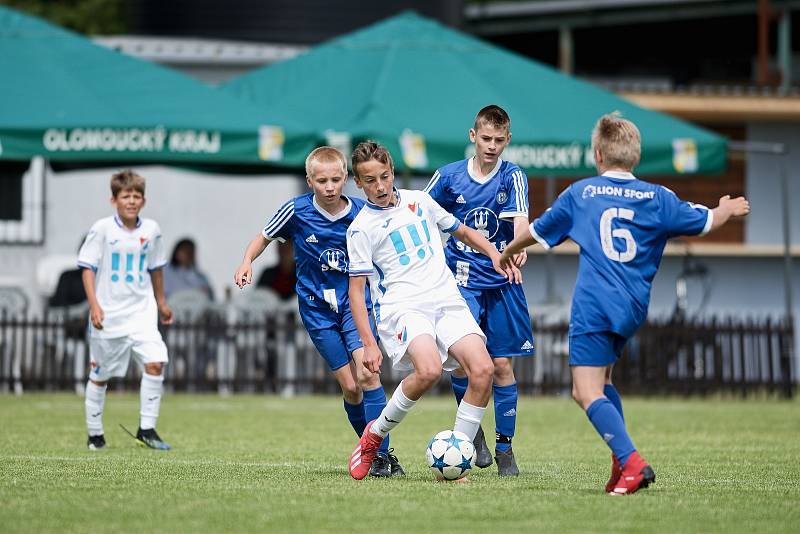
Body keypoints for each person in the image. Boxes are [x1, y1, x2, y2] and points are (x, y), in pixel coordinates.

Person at [499, 112, 750, 495]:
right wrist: (727, 210)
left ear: (598, 154)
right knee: (604, 381)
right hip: (632, 306)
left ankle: (632, 463)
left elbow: (535, 232)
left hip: (595, 304)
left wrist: (506, 252)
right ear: (636, 156)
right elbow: (706, 220)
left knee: (584, 391)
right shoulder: (658, 197)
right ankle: (620, 466)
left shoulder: (582, 194)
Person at [346, 141, 522, 480]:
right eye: (370, 180)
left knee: (483, 369)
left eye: (384, 176)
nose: (380, 186)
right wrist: (368, 342)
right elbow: (356, 293)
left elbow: (463, 231)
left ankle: (454, 464)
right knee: (427, 371)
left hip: (445, 298)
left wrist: (494, 253)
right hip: (404, 307)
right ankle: (374, 435)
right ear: (358, 182)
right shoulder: (360, 228)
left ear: (393, 172)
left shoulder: (420, 201)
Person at [234, 146, 404, 478]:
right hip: (317, 312)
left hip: (354, 307)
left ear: (346, 179)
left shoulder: (360, 211)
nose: (329, 187)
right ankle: (369, 446)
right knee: (351, 388)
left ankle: (381, 456)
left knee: (368, 374)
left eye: (336, 179)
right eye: (322, 180)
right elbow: (263, 237)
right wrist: (246, 261)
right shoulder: (295, 211)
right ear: (310, 181)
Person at [424, 104, 533, 476]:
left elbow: (521, 223)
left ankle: (505, 448)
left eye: (499, 140)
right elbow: (419, 212)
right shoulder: (448, 176)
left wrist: (517, 251)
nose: (491, 146)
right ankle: (474, 436)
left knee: (501, 364)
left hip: (501, 281)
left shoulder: (513, 177)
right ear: (473, 136)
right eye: (486, 138)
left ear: (508, 140)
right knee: (460, 364)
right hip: (459, 282)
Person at [78, 169, 174, 451]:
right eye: (125, 196)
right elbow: (87, 267)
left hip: (141, 313)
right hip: (109, 314)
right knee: (100, 374)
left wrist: (161, 302)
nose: (131, 201)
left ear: (143, 201)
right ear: (114, 200)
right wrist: (94, 305)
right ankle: (95, 435)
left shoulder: (151, 230)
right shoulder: (102, 229)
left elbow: (156, 268)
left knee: (156, 362)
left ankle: (147, 429)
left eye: (136, 196)